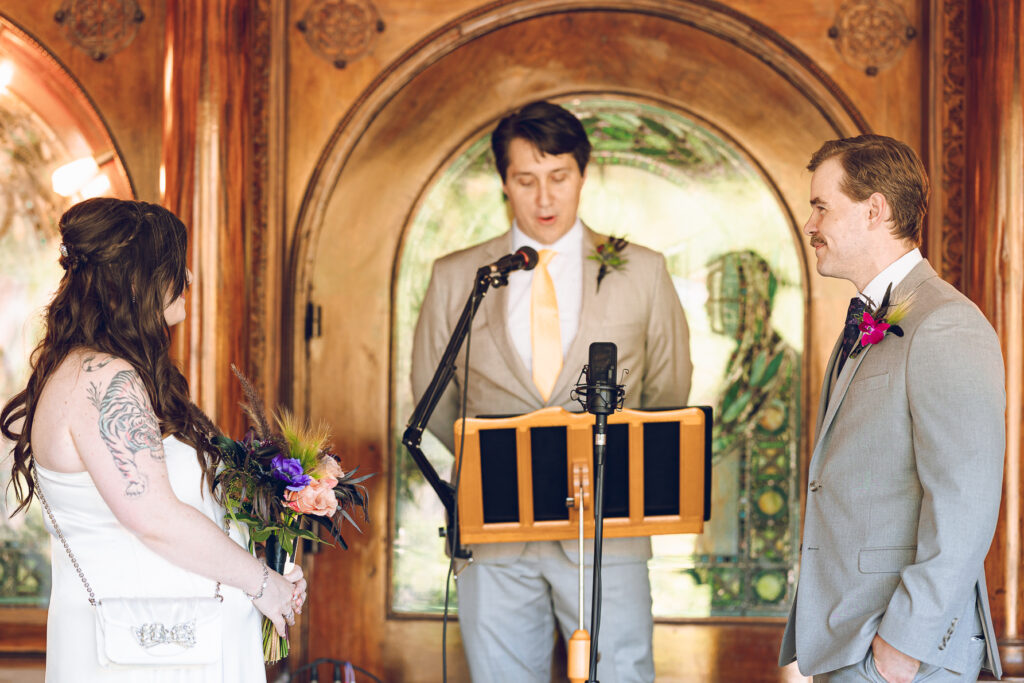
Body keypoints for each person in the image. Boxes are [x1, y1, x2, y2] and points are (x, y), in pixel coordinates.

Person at [411, 100, 692, 683]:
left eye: (559, 177)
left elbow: (668, 389)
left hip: (609, 529)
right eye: (526, 180)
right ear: (503, 183)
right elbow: (432, 401)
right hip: (493, 535)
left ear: (583, 176)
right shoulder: (456, 274)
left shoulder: (643, 270)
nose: (544, 198)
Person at [0, 198, 307, 681]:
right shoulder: (102, 378)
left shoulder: (100, 371)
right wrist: (261, 582)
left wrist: (262, 551)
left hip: (174, 642)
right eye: (175, 265)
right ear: (139, 279)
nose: (187, 278)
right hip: (149, 653)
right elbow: (154, 517)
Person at [778, 135, 1005, 682]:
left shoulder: (946, 323)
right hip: (850, 638)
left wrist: (899, 646)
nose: (810, 225)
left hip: (900, 652)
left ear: (874, 209)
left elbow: (965, 504)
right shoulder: (868, 317)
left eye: (821, 206)